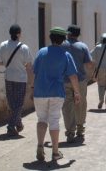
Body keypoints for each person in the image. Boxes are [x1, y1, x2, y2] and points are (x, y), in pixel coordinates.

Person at [32, 27, 80, 162]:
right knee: (54, 120)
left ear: (50, 38)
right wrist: (77, 92)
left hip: (40, 91)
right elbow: (73, 76)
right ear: (63, 40)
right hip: (57, 93)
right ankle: (55, 152)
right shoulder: (65, 55)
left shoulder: (41, 52)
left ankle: (40, 147)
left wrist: (31, 88)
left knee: (41, 119)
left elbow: (34, 72)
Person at [0, 24, 33, 136]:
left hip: (8, 77)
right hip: (20, 78)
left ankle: (18, 123)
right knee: (19, 103)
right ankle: (11, 126)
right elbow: (28, 65)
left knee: (12, 103)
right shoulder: (24, 47)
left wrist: (8, 64)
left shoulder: (3, 45)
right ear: (18, 34)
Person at [61, 24, 93, 143]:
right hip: (80, 80)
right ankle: (80, 129)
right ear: (78, 34)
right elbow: (89, 64)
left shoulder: (62, 45)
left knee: (67, 106)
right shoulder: (83, 46)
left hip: (64, 80)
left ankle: (70, 132)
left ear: (68, 33)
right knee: (80, 104)